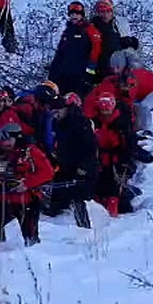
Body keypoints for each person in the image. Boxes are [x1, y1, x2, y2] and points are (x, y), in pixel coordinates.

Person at [0, 123, 54, 246]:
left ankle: (34, 255)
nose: (4, 143)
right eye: (3, 140)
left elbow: (47, 172)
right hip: (5, 198)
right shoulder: (2, 153)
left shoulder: (31, 152)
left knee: (30, 234)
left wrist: (26, 183)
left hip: (28, 199)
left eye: (8, 140)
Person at [46, 94, 97, 229]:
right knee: (59, 194)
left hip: (82, 167)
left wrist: (83, 167)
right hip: (65, 165)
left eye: (58, 111)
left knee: (78, 196)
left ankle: (84, 228)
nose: (55, 114)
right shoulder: (58, 123)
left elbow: (90, 147)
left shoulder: (80, 122)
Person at [90, 93, 137, 217]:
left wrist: (124, 164)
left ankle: (112, 215)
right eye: (102, 111)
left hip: (116, 162)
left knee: (114, 189)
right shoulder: (94, 122)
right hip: (99, 160)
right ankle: (98, 213)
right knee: (96, 186)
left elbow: (129, 146)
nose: (105, 114)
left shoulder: (122, 124)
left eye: (107, 111)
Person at [48, 1, 103, 97]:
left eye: (77, 14)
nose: (74, 17)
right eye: (72, 14)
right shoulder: (67, 33)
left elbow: (95, 53)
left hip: (81, 77)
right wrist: (53, 74)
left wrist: (89, 75)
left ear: (82, 15)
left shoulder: (90, 30)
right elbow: (60, 54)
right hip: (64, 76)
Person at [91, 0, 139, 78]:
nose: (105, 15)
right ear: (98, 13)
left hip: (117, 68)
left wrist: (131, 42)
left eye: (108, 11)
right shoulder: (93, 26)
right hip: (99, 68)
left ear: (112, 11)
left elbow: (127, 46)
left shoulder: (118, 25)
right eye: (102, 12)